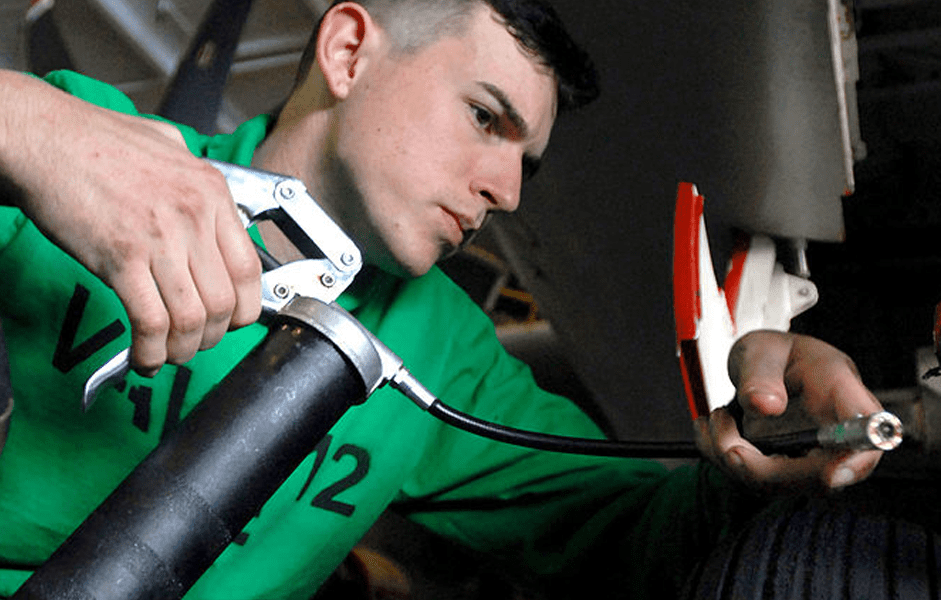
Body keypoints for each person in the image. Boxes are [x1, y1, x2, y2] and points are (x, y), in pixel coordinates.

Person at [0, 0, 885, 598]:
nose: (506, 190)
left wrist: (759, 441)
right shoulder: (82, 144)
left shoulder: (445, 351)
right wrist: (33, 130)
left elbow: (633, 527)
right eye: (483, 117)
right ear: (348, 52)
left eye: (526, 163)